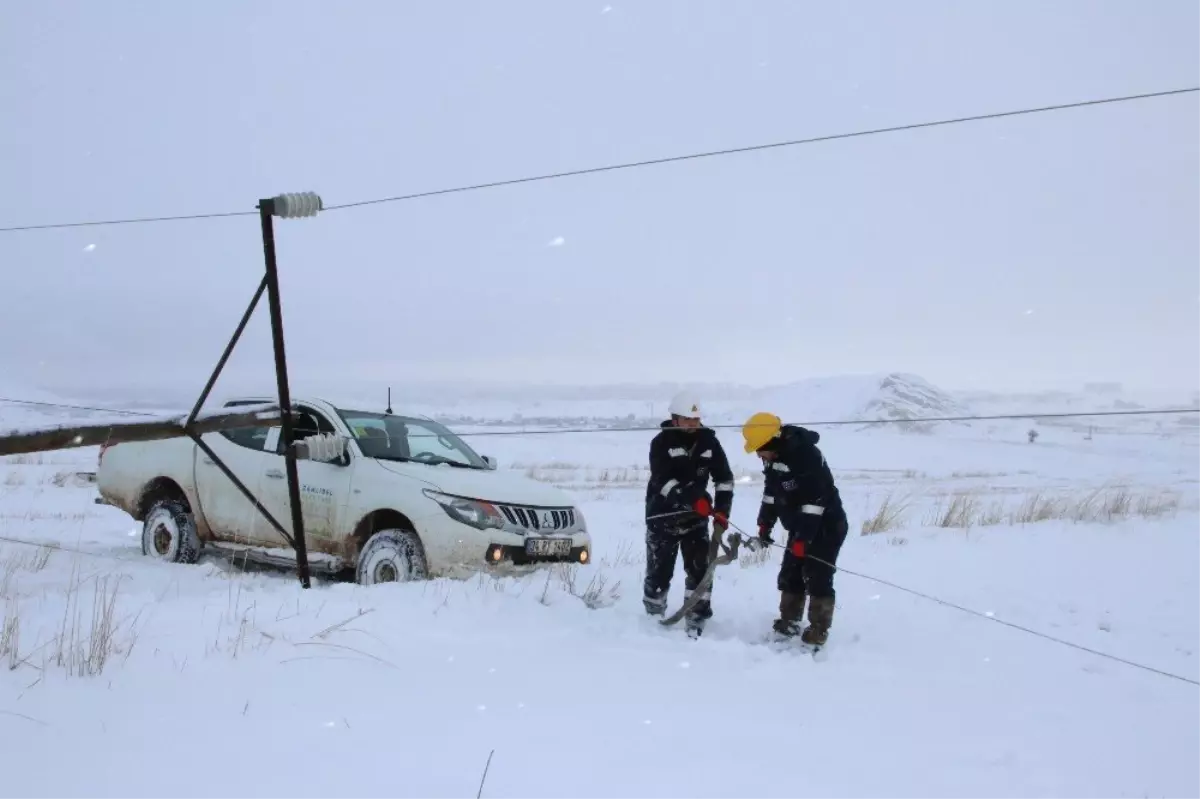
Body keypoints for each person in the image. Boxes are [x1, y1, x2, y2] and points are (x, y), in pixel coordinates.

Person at [742, 411, 848, 646]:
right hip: (801, 528)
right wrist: (764, 525)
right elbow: (771, 495)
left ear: (772, 441)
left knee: (817, 576)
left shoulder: (805, 455)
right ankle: (788, 622)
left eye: (759, 448)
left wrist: (802, 539)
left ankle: (818, 631)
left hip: (827, 525)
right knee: (791, 574)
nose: (758, 454)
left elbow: (814, 502)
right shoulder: (773, 459)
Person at [643, 392, 735, 636]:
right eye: (687, 419)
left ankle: (696, 618)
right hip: (663, 517)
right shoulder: (661, 443)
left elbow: (724, 479)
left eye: (695, 419)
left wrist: (722, 511)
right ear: (675, 419)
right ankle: (653, 616)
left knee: (700, 571)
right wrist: (693, 499)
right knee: (659, 571)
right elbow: (663, 482)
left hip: (696, 520)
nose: (693, 424)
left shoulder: (709, 443)